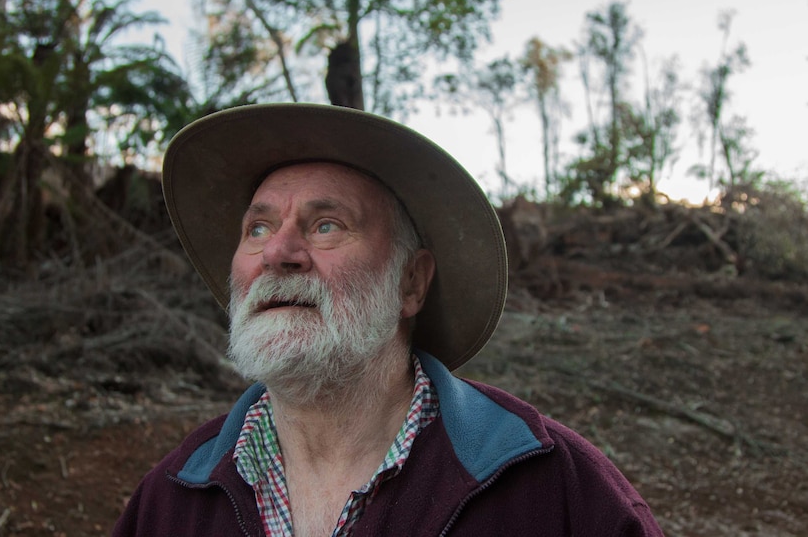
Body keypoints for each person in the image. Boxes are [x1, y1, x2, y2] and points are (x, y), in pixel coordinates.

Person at [113, 103, 664, 537]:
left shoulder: (555, 492)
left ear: (411, 284)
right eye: (256, 229)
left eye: (326, 225)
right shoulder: (171, 499)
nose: (278, 252)